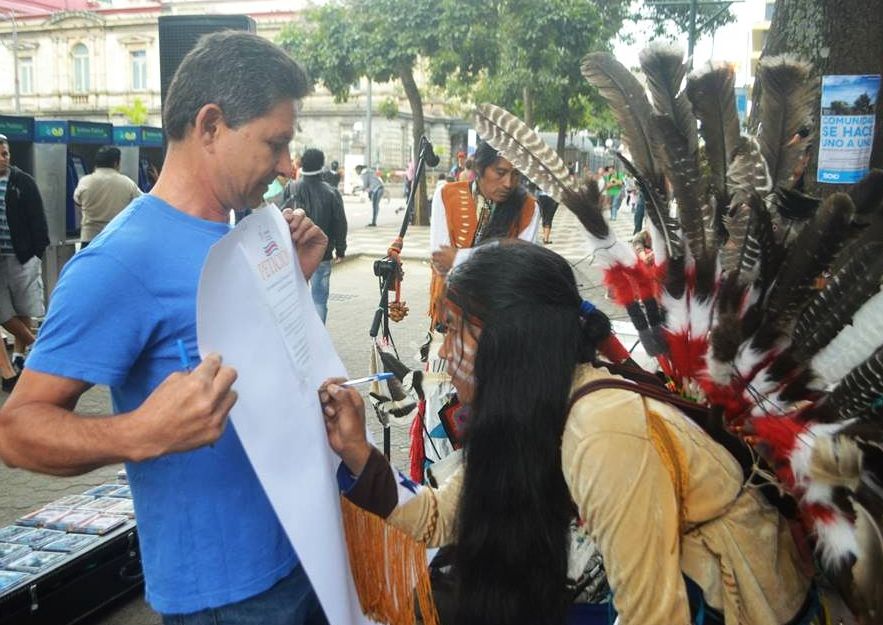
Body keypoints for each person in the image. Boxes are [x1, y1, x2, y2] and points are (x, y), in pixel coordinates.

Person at [0, 32, 330, 625]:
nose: (287, 165)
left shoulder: (246, 233)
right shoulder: (119, 261)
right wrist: (137, 433)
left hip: (307, 547)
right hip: (227, 596)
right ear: (210, 126)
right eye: (275, 143)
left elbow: (257, 372)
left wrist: (293, 286)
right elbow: (16, 431)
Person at [320, 241, 815, 625]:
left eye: (454, 330)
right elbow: (436, 520)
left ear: (511, 341)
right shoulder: (529, 408)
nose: (443, 353)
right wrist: (359, 451)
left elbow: (654, 615)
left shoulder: (604, 434)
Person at [428, 140, 539, 327]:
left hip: (501, 319)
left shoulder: (529, 208)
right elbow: (441, 261)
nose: (508, 183)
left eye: (516, 174)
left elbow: (521, 268)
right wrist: (497, 258)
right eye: (500, 173)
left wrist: (460, 257)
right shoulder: (446, 195)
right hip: (451, 314)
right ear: (480, 167)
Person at [0, 134, 49, 374]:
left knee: (23, 309)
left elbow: (38, 219)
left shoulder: (22, 182)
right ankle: (39, 347)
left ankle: (19, 358)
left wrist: (35, 254)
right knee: (3, 312)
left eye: (6, 154)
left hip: (22, 256)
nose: (3, 159)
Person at [290, 148, 348, 323]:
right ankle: (318, 342)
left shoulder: (292, 188)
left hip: (295, 254)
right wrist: (340, 249)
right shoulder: (331, 192)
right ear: (322, 165)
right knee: (319, 300)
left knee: (293, 300)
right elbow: (340, 223)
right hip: (322, 255)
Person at [74, 146, 142, 248]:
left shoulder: (85, 181)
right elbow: (141, 202)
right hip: (116, 238)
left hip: (90, 239)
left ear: (96, 163)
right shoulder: (127, 183)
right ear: (116, 163)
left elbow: (77, 201)